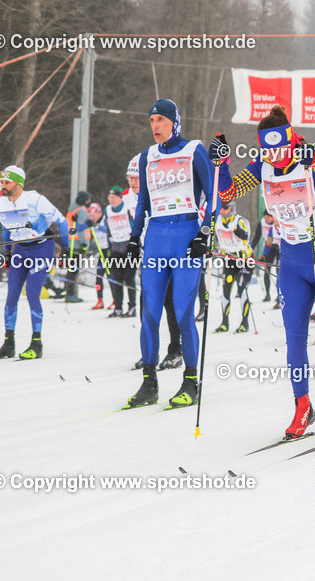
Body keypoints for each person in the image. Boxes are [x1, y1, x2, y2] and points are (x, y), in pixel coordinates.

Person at [213, 105, 315, 441]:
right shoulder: (263, 166)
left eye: (279, 149)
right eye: (268, 150)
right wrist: (220, 163)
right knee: (294, 341)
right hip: (292, 261)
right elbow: (227, 194)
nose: (274, 157)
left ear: (290, 140)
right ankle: (303, 407)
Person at [123, 99, 213, 409]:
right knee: (148, 313)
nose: (155, 126)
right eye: (151, 121)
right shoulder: (146, 157)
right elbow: (143, 202)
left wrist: (204, 232)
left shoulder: (195, 150)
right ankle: (149, 383)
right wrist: (135, 238)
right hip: (157, 237)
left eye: (160, 119)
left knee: (185, 311)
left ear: (174, 121)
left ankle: (190, 381)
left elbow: (213, 196)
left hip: (187, 235)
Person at [0, 165, 71, 359]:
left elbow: (62, 221)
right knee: (11, 297)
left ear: (18, 183)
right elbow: (7, 229)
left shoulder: (36, 200)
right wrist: (7, 251)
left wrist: (66, 249)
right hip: (20, 250)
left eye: (7, 182)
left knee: (33, 294)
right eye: (2, 182)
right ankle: (9, 343)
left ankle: (37, 344)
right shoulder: (3, 203)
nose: (4, 185)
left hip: (42, 249)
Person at [213, 201, 253, 334]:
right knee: (225, 290)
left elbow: (245, 236)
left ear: (231, 208)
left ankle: (244, 323)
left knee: (241, 289)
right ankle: (224, 323)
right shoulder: (217, 220)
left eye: (225, 208)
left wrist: (235, 229)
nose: (223, 210)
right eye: (221, 208)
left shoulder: (238, 220)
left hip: (244, 259)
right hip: (229, 259)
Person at [104, 186, 136, 318]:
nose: (110, 200)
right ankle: (118, 308)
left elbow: (135, 225)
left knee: (129, 279)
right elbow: (107, 228)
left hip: (129, 248)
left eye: (113, 197)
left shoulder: (127, 207)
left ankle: (132, 307)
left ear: (119, 197)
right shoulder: (107, 210)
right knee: (116, 279)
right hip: (116, 248)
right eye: (109, 197)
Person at [87, 202, 108, 309]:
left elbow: (106, 230)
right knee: (98, 276)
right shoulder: (93, 222)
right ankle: (100, 300)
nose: (92, 217)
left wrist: (95, 226)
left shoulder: (105, 219)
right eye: (90, 215)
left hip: (109, 251)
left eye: (93, 215)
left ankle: (115, 300)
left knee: (111, 276)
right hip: (101, 251)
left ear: (99, 213)